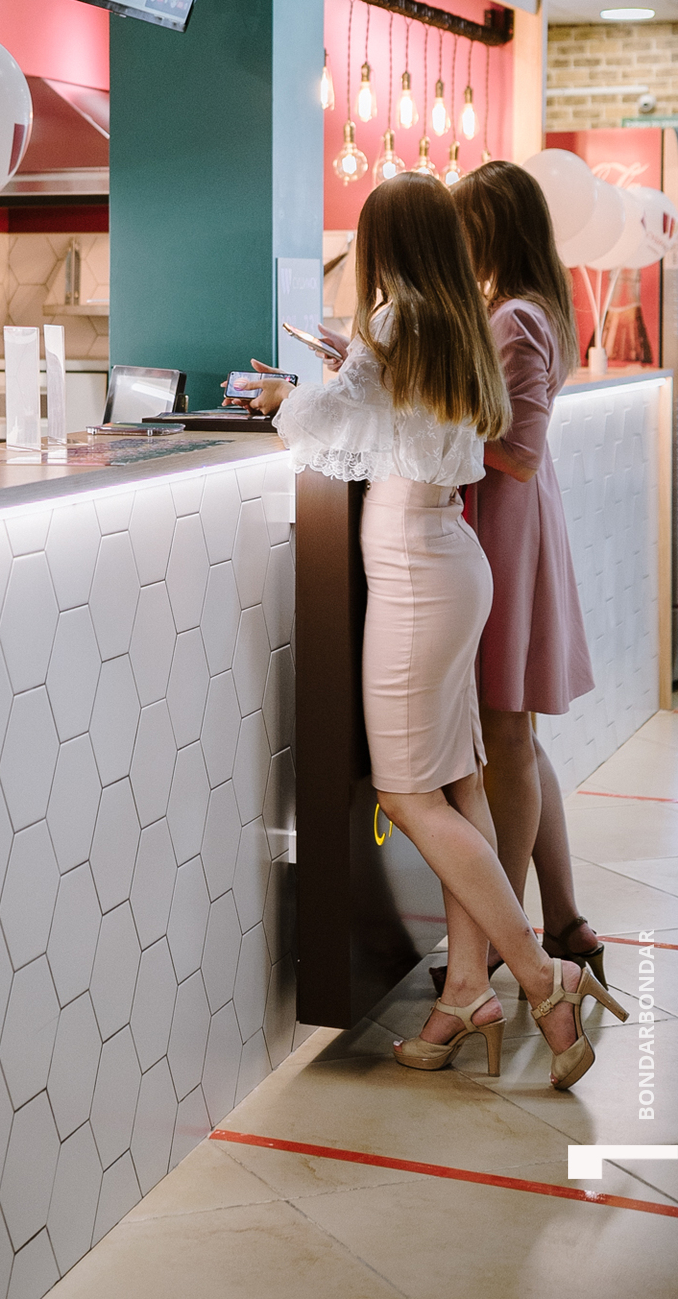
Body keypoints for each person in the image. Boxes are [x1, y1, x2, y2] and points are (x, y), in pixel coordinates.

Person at [241, 173, 625, 1087]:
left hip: (415, 572)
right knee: (459, 782)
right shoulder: (456, 321)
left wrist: (280, 399)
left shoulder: (392, 320)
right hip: (455, 558)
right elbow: (404, 424)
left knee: (409, 796)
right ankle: (466, 991)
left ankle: (540, 975)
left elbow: (323, 431)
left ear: (382, 244)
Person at [452, 159, 606, 984]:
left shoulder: (513, 316)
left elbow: (515, 452)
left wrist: (432, 422)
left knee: (504, 732)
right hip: (517, 523)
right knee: (518, 734)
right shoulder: (534, 307)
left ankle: (504, 937)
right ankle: (565, 922)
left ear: (491, 230)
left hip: (505, 526)